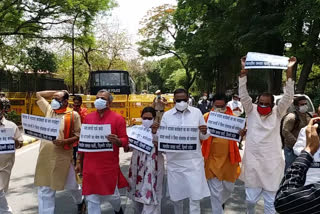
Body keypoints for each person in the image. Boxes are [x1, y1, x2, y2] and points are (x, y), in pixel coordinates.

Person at [239, 56, 296, 214]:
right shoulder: (251, 111)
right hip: (253, 162)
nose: (263, 106)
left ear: (273, 104)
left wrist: (289, 70)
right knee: (250, 200)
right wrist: (243, 71)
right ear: (257, 101)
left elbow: (289, 96)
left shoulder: (278, 113)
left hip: (271, 163)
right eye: (261, 102)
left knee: (271, 203)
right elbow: (243, 95)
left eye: (267, 103)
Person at [75, 89, 128, 214]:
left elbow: (125, 139)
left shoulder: (118, 118)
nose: (98, 100)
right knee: (92, 198)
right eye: (97, 98)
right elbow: (83, 141)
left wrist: (118, 141)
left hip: (108, 166)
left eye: (103, 99)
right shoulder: (88, 118)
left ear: (109, 103)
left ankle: (118, 209)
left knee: (112, 196)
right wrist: (78, 161)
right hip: (90, 166)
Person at [160, 88, 210, 214]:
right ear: (174, 100)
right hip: (174, 163)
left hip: (194, 163)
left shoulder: (197, 113)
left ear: (188, 99)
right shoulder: (167, 115)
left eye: (184, 99)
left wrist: (204, 131)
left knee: (195, 199)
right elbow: (162, 137)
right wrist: (156, 132)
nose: (181, 102)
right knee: (177, 199)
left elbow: (204, 136)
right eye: (178, 100)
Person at [34, 90, 84, 214]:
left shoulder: (73, 115)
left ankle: (80, 200)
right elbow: (38, 94)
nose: (54, 101)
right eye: (53, 99)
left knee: (72, 185)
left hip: (62, 157)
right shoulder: (49, 110)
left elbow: (79, 135)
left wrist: (65, 141)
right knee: (45, 188)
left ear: (66, 101)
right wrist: (56, 92)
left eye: (58, 99)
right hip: (45, 157)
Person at [201, 94, 241, 214]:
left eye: (222, 106)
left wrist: (242, 133)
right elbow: (200, 138)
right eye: (216, 106)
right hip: (211, 160)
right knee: (216, 193)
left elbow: (239, 137)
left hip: (229, 160)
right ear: (212, 105)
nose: (219, 108)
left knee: (229, 188)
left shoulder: (233, 119)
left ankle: (220, 202)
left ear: (226, 105)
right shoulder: (206, 117)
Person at [274, 118, 320, 213]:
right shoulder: (307, 130)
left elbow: (284, 201)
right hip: (307, 177)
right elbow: (297, 148)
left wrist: (308, 151)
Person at [127, 107, 164, 214]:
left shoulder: (161, 131)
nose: (147, 120)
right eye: (145, 118)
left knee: (152, 194)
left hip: (154, 167)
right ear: (141, 117)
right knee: (137, 193)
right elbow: (128, 147)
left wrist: (155, 137)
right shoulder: (136, 130)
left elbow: (166, 149)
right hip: (137, 166)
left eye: (149, 118)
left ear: (154, 118)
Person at [0, 98, 23, 214]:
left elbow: (20, 144)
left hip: (4, 167)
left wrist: (16, 142)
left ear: (2, 110)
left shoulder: (11, 126)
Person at [281, 96, 312, 171]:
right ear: (296, 106)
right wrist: (297, 143)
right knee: (290, 169)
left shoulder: (308, 116)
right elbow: (285, 131)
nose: (304, 106)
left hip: (304, 149)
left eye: (305, 104)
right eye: (302, 104)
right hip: (291, 149)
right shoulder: (291, 117)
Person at [72, 95, 88, 165]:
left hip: (81, 138)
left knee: (81, 156)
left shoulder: (84, 111)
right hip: (72, 138)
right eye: (74, 103)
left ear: (81, 103)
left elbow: (85, 123)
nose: (75, 105)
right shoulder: (70, 112)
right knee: (72, 157)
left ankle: (81, 170)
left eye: (77, 104)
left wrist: (78, 112)